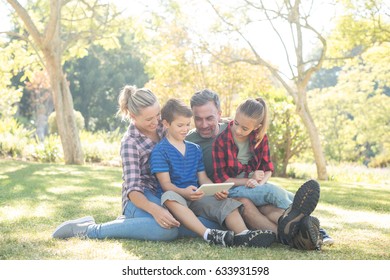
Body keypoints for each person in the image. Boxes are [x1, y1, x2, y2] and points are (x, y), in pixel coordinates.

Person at [52, 86, 217, 241]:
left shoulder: (163, 126)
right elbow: (133, 190)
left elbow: (185, 128)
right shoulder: (130, 142)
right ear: (133, 116)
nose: (156, 122)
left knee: (211, 224)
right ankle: (90, 229)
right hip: (140, 198)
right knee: (167, 230)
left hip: (166, 196)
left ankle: (132, 224)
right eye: (149, 119)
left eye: (158, 115)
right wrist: (155, 210)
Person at [186, 89, 334, 248]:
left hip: (247, 185)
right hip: (226, 192)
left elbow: (252, 129)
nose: (204, 125)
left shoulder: (236, 127)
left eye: (209, 118)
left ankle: (312, 230)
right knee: (247, 204)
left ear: (219, 114)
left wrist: (258, 179)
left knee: (272, 205)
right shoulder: (188, 139)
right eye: (198, 119)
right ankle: (296, 239)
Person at [150, 98, 276, 247]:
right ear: (166, 124)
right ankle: (208, 234)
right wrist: (183, 192)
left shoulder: (194, 149)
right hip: (177, 196)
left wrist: (216, 190)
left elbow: (203, 179)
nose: (185, 129)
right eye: (180, 125)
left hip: (197, 195)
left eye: (187, 125)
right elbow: (165, 185)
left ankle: (243, 235)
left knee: (226, 202)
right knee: (168, 197)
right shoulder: (160, 151)